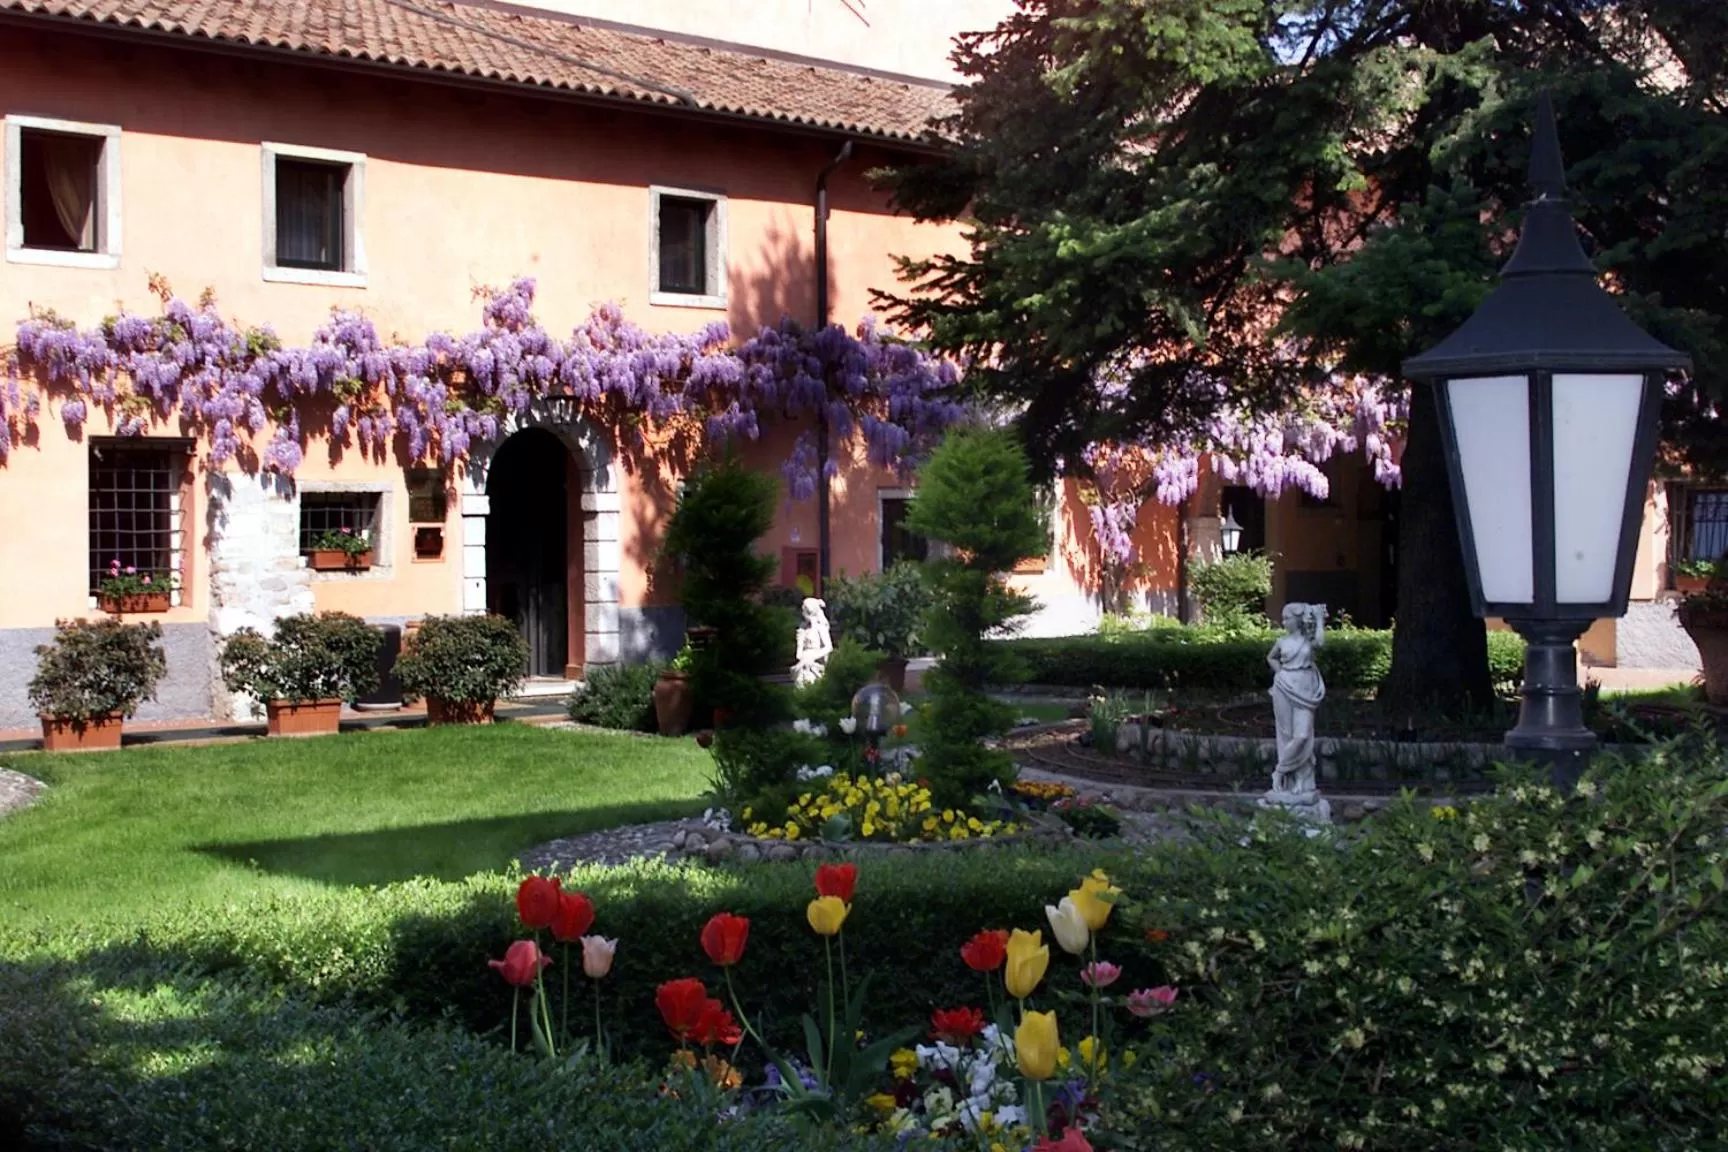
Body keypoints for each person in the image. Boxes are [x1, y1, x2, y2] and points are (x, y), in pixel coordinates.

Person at [1268, 602, 1325, 795]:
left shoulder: (1307, 640)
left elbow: (1320, 642)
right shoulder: (1282, 641)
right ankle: (1296, 780)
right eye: (1283, 618)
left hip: (1305, 687)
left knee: (1302, 736)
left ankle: (1280, 771)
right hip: (1284, 686)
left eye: (1287, 618)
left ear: (1298, 619)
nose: (1284, 622)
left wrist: (1319, 619)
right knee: (1286, 734)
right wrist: (1280, 673)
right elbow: (1271, 658)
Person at [791, 597, 833, 687]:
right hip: (803, 663)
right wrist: (800, 639)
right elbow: (798, 654)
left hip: (814, 662)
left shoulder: (820, 628)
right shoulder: (803, 629)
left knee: (811, 684)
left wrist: (813, 657)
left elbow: (828, 647)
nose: (803, 613)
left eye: (804, 610)